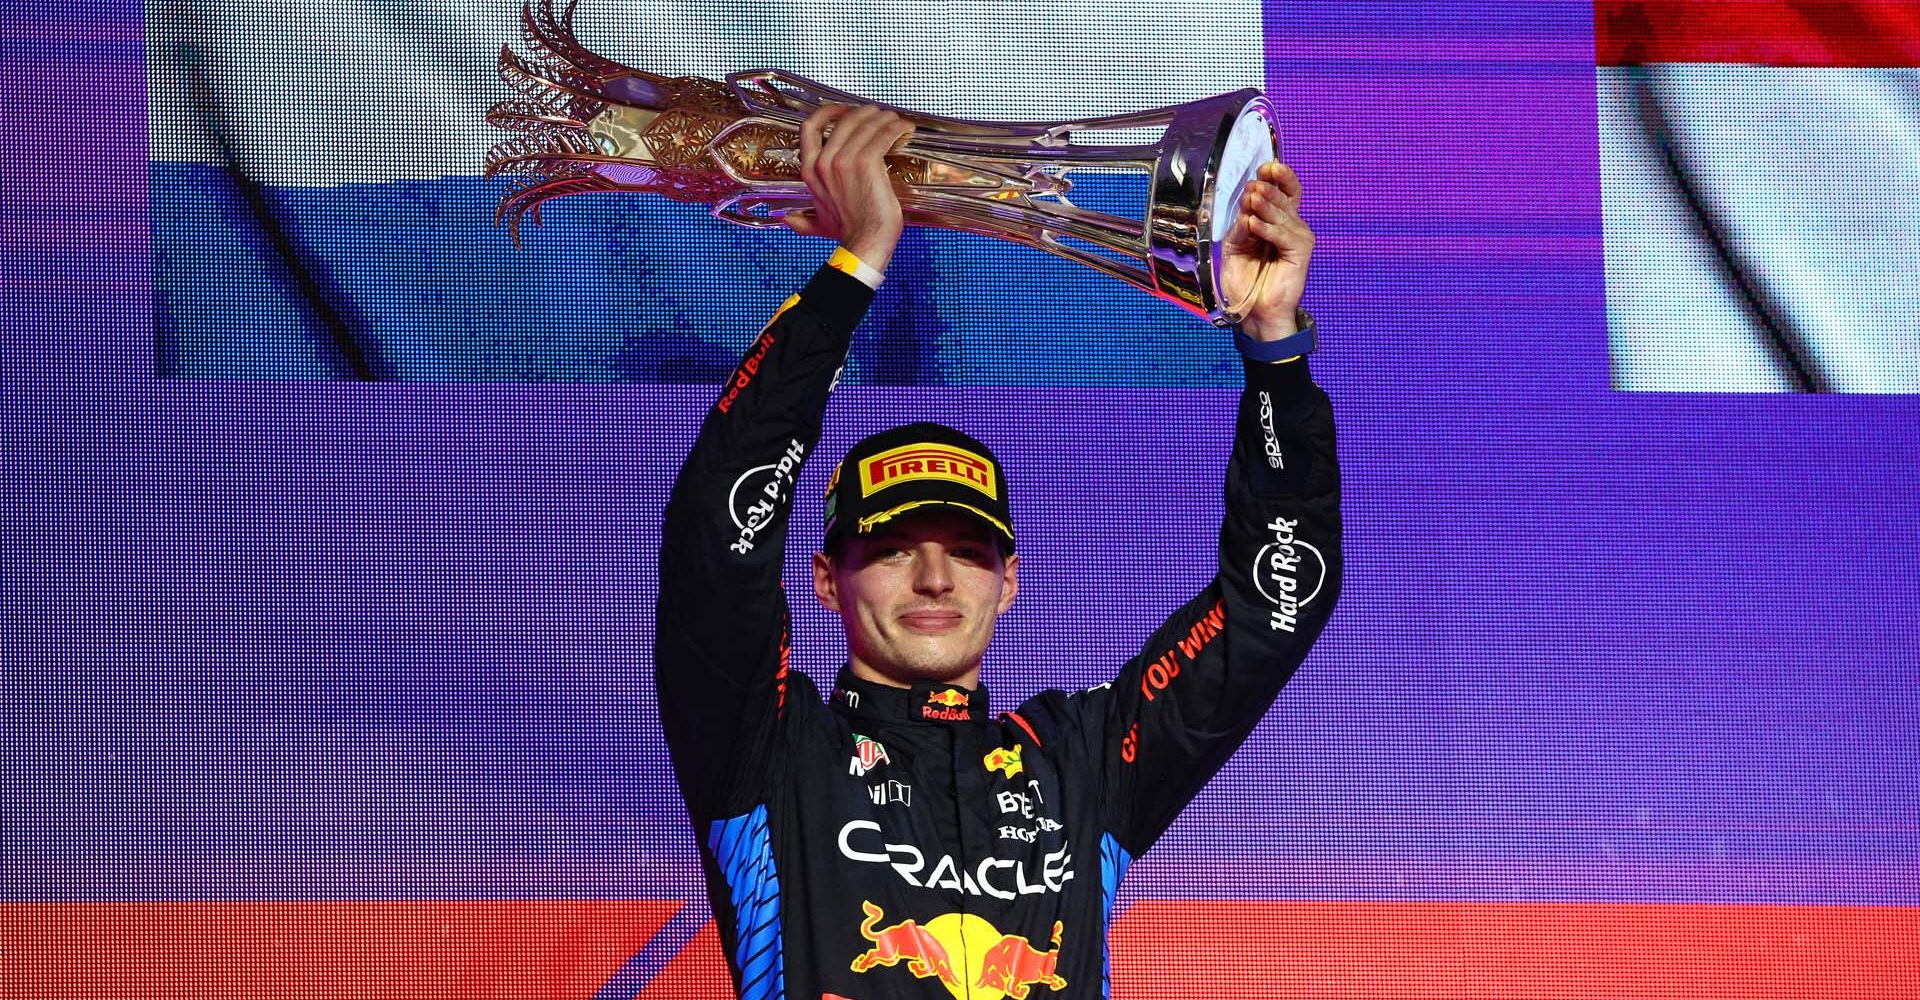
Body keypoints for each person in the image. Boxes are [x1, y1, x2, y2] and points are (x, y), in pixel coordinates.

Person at [655, 103, 1340, 1000]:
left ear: (1008, 581)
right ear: (828, 579)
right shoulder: (770, 749)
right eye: (895, 548)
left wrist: (1274, 349)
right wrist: (855, 263)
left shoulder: (1084, 763)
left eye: (968, 552)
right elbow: (718, 532)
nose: (936, 577)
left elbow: (1274, 606)